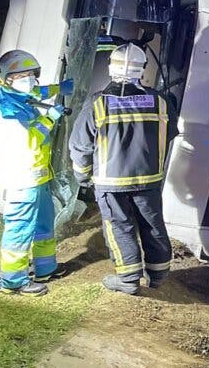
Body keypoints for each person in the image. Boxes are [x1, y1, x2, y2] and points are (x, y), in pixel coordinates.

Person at [68, 44, 174, 295]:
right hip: (149, 179)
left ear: (111, 68)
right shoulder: (160, 101)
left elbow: (80, 145)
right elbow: (168, 135)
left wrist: (82, 176)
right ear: (142, 69)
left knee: (119, 226)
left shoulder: (98, 103)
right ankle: (158, 274)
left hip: (110, 180)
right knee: (153, 224)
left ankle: (128, 279)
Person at [0, 50, 73, 296]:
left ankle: (46, 267)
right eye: (21, 76)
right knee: (20, 229)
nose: (28, 81)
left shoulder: (19, 93)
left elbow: (39, 91)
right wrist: (51, 118)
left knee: (44, 224)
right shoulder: (5, 110)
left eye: (31, 75)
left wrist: (61, 87)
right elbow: (30, 141)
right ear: (5, 79)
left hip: (37, 177)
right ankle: (14, 281)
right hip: (20, 179)